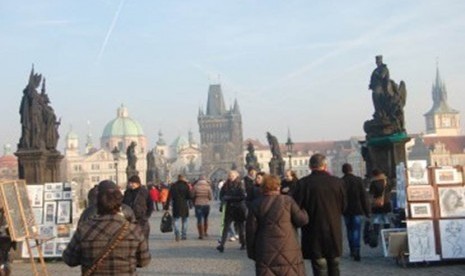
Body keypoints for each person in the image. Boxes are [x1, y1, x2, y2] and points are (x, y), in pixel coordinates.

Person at [63, 180, 151, 275]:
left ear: (98, 203)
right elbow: (144, 261)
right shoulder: (134, 230)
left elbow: (70, 260)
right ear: (119, 203)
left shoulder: (84, 229)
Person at [293, 153, 346, 276]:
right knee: (334, 263)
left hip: (313, 229)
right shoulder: (337, 182)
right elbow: (344, 206)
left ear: (310, 166)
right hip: (333, 227)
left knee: (319, 265)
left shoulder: (303, 184)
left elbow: (296, 208)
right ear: (325, 166)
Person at [246, 174, 308, 275]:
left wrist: (252, 252)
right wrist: (304, 211)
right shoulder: (287, 201)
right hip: (288, 248)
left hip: (265, 249)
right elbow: (302, 221)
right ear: (278, 187)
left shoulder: (256, 204)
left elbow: (250, 231)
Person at [341, 163, 370, 261]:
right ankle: (357, 250)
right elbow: (364, 197)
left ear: (343, 171)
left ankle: (352, 249)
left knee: (349, 230)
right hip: (357, 209)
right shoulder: (358, 180)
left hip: (346, 210)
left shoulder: (341, 181)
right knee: (356, 230)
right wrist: (367, 211)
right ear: (351, 169)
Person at [217, 170, 247, 253]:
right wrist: (223, 199)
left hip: (238, 208)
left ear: (236, 176)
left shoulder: (240, 184)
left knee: (240, 227)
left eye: (232, 175)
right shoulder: (226, 185)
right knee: (226, 227)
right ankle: (222, 245)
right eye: (229, 175)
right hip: (229, 208)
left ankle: (243, 243)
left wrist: (229, 198)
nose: (230, 177)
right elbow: (221, 195)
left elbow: (242, 196)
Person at [123, 175, 153, 240]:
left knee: (143, 240)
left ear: (138, 183)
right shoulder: (127, 192)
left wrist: (146, 216)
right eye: (129, 183)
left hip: (141, 220)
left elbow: (150, 204)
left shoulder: (144, 191)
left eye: (132, 183)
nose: (130, 185)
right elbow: (123, 204)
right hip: (130, 220)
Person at [164, 175, 192, 241]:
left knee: (176, 220)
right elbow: (189, 196)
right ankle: (184, 235)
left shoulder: (173, 186)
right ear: (183, 179)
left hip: (176, 205)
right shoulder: (186, 186)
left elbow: (169, 197)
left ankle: (177, 233)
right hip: (184, 205)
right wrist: (190, 204)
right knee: (185, 220)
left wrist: (167, 206)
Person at [368, 169, 392, 246]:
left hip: (377, 204)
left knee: (377, 218)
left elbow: (371, 194)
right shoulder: (386, 181)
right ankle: (387, 233)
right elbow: (390, 190)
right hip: (386, 202)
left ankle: (376, 233)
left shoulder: (373, 183)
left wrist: (370, 203)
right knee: (385, 218)